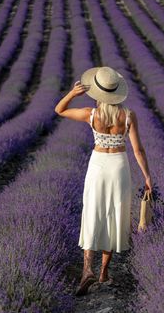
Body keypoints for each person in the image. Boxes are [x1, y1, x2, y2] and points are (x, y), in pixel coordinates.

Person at [55, 66, 152, 296]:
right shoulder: (128, 116)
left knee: (92, 213)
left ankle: (86, 269)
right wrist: (148, 177)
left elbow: (59, 110)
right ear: (117, 93)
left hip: (97, 165)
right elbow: (138, 150)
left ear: (99, 93)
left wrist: (72, 93)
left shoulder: (91, 114)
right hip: (119, 166)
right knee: (114, 215)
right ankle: (104, 272)